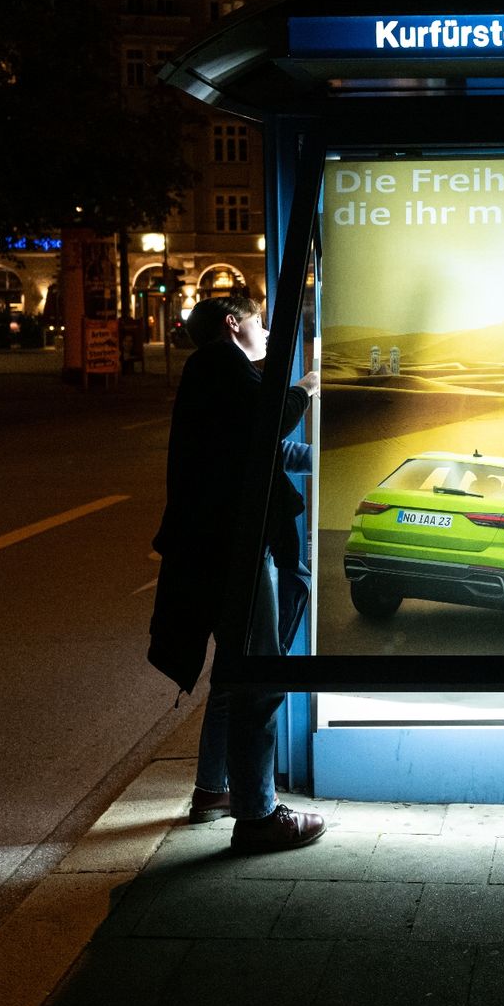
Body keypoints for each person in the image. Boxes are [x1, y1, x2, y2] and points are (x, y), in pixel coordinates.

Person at [148, 294, 326, 851]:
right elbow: (269, 420)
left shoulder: (214, 373)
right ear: (233, 324)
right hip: (238, 548)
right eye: (259, 321)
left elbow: (259, 448)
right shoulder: (220, 365)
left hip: (220, 548)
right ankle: (258, 815)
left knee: (234, 672)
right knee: (259, 678)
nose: (269, 332)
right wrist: (309, 385)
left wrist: (325, 457)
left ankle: (213, 789)